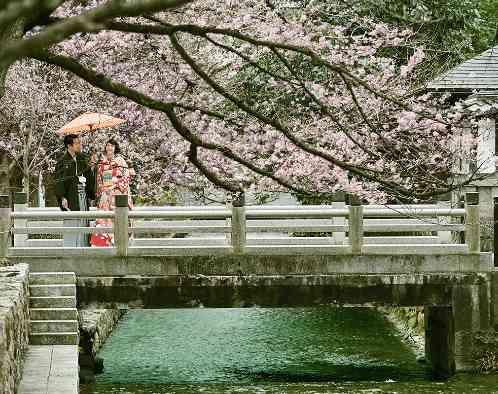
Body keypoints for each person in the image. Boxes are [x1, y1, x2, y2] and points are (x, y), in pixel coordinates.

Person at [90, 139, 133, 247]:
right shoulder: (102, 163)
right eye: (108, 145)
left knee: (119, 218)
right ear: (105, 147)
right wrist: (104, 190)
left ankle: (120, 242)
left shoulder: (121, 161)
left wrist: (115, 185)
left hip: (119, 193)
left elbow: (127, 177)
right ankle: (104, 243)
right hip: (106, 194)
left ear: (115, 148)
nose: (109, 148)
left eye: (112, 146)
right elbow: (99, 180)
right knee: (104, 218)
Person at [55, 134, 96, 247]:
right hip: (71, 197)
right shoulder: (62, 162)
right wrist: (62, 197)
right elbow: (59, 181)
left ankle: (83, 247)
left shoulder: (82, 158)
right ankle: (71, 248)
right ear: (69, 145)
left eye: (79, 142)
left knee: (84, 222)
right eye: (77, 143)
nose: (79, 145)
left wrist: (91, 167)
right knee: (72, 222)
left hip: (83, 196)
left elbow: (88, 177)